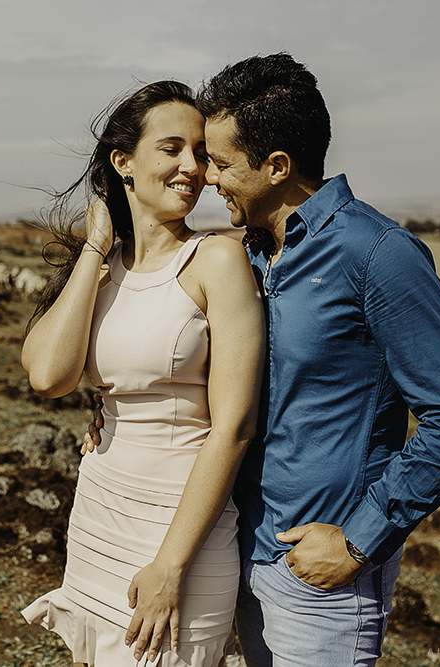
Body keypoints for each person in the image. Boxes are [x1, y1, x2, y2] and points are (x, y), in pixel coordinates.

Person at [86, 54, 440, 666]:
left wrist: (360, 542)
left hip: (321, 572)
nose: (207, 179)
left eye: (221, 163)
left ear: (277, 166)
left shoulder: (377, 254)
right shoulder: (245, 252)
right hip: (237, 546)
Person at [20, 80, 265, 667]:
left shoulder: (217, 260)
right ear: (123, 162)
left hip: (181, 534)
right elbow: (49, 377)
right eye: (173, 148)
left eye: (202, 154)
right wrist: (95, 248)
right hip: (100, 511)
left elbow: (233, 427)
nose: (193, 168)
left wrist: (170, 565)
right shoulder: (104, 273)